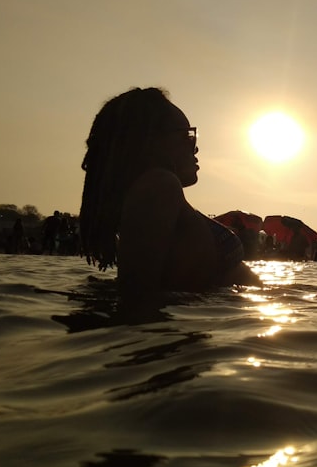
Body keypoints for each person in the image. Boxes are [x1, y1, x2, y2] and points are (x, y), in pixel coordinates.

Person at [79, 87, 260, 307]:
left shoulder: (154, 190)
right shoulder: (159, 186)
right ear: (150, 141)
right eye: (187, 136)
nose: (196, 148)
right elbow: (136, 293)